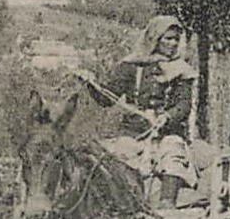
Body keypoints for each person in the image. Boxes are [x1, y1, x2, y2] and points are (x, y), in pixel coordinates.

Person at [81, 14, 197, 206]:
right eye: (167, 38)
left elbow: (184, 105)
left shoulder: (182, 70)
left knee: (172, 154)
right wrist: (90, 84)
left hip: (167, 133)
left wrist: (167, 117)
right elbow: (107, 98)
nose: (173, 43)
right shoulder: (131, 66)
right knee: (112, 160)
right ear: (154, 38)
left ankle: (167, 207)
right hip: (133, 132)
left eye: (176, 39)